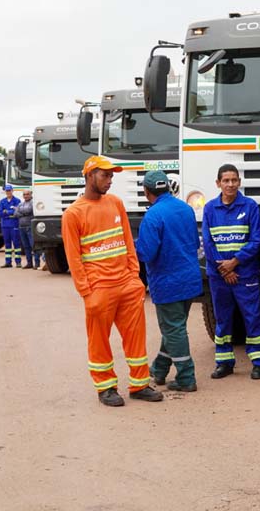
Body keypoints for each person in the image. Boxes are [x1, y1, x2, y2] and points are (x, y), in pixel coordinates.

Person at [61, 155, 163, 407]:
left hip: (127, 286)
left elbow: (128, 242)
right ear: (89, 176)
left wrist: (134, 279)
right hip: (99, 289)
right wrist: (87, 292)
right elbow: (74, 259)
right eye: (105, 175)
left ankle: (139, 384)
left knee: (136, 338)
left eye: (111, 176)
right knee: (99, 341)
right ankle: (106, 387)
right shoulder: (73, 214)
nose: (110, 181)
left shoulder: (115, 203)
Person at [136, 171, 203, 392]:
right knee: (175, 327)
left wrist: (133, 245)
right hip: (190, 279)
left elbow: (146, 253)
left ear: (147, 192)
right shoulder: (185, 208)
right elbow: (194, 242)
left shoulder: (153, 216)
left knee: (173, 330)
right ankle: (159, 369)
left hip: (167, 283)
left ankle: (186, 377)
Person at [201, 164, 260, 380]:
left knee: (253, 318)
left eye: (234, 180)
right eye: (226, 180)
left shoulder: (250, 206)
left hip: (244, 274)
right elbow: (207, 243)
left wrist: (235, 262)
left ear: (239, 182)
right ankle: (224, 362)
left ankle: (259, 363)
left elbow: (257, 239)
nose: (230, 184)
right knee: (223, 320)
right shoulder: (210, 208)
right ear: (218, 183)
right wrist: (224, 269)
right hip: (219, 276)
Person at [15, 189, 41, 269]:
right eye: (24, 194)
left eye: (27, 194)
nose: (26, 196)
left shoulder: (33, 203)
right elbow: (15, 213)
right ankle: (29, 263)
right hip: (21, 227)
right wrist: (23, 213)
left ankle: (37, 263)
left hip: (30, 227)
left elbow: (29, 210)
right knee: (26, 246)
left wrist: (21, 212)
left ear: (31, 194)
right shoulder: (21, 204)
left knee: (33, 245)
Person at [0, 184, 22, 268]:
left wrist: (6, 212)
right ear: (5, 192)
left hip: (14, 225)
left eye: (9, 190)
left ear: (12, 191)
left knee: (16, 244)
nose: (8, 192)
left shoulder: (17, 201)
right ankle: (8, 262)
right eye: (7, 191)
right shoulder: (2, 201)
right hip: (5, 226)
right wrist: (10, 212)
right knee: (7, 244)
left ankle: (18, 262)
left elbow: (17, 212)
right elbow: (0, 213)